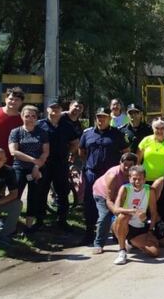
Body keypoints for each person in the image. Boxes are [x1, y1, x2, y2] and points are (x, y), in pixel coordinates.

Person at [79, 107, 128, 246]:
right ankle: (89, 232)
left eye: (104, 117)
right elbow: (81, 152)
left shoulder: (117, 134)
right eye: (99, 116)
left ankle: (115, 232)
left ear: (109, 119)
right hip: (92, 174)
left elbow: (125, 152)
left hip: (110, 175)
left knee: (113, 201)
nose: (101, 119)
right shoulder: (87, 133)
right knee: (89, 203)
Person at [36, 101, 79, 229]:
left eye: (57, 108)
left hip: (61, 162)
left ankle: (62, 220)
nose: (55, 110)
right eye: (52, 108)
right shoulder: (40, 125)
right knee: (41, 191)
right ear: (47, 109)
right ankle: (40, 220)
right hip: (44, 162)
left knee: (62, 191)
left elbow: (75, 142)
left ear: (61, 110)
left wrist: (69, 152)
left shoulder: (67, 125)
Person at [8, 105, 50, 233]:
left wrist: (37, 166)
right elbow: (13, 151)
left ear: (37, 118)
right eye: (27, 116)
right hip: (19, 168)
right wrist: (33, 160)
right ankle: (12, 224)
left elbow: (45, 152)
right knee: (15, 196)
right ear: (22, 117)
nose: (30, 119)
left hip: (36, 169)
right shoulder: (16, 132)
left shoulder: (42, 133)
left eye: (33, 116)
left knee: (34, 196)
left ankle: (29, 226)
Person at [109, 165, 159, 265]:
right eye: (134, 179)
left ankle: (131, 242)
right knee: (124, 216)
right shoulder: (125, 188)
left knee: (154, 252)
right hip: (122, 223)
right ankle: (122, 251)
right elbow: (115, 209)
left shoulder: (150, 190)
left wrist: (150, 229)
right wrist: (133, 211)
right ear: (129, 178)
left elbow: (154, 213)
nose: (136, 182)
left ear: (145, 179)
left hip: (138, 225)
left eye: (139, 179)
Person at [90, 152, 138, 253]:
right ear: (120, 162)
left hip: (120, 195)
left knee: (126, 216)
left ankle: (124, 239)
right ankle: (98, 243)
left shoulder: (135, 174)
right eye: (125, 164)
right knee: (106, 216)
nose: (127, 167)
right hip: (102, 194)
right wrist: (116, 211)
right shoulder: (113, 175)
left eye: (130, 165)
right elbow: (109, 199)